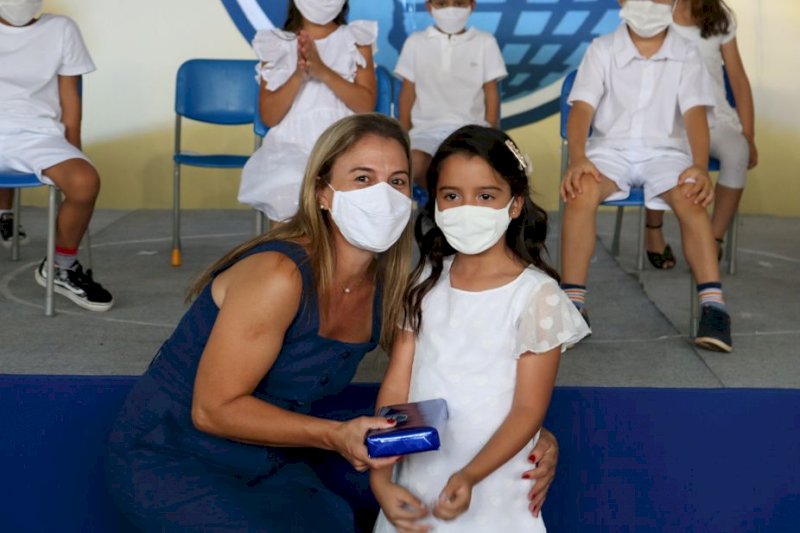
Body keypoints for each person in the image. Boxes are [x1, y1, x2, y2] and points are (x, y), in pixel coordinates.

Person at [105, 114, 559, 532]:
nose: (381, 194)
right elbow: (212, 410)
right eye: (362, 178)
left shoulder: (389, 286)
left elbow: (448, 368)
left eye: (396, 181)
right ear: (323, 192)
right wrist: (334, 435)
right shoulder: (279, 276)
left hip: (273, 450)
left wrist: (532, 437)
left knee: (413, 482)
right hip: (175, 455)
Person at [371, 126, 590, 532]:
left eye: (485, 195)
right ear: (434, 203)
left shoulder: (537, 296)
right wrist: (381, 479)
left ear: (515, 204)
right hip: (416, 480)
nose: (466, 208)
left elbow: (528, 410)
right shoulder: (423, 284)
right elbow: (397, 389)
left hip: (496, 488)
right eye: (451, 196)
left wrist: (470, 475)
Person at [560, 0, 734, 352]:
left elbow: (695, 116)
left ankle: (714, 307)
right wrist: (578, 158)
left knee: (690, 196)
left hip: (666, 153)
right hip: (610, 150)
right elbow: (581, 109)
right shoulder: (602, 48)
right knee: (581, 190)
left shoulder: (686, 52)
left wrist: (699, 165)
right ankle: (572, 304)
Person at [0, 0, 113, 311]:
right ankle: (3, 215)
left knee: (84, 181)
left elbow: (69, 100)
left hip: (37, 135)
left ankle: (61, 266)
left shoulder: (61, 29)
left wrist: (74, 151)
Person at [238, 0, 378, 225]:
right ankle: (284, 258)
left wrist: (323, 71)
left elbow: (365, 105)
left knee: (347, 190)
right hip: (289, 145)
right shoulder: (277, 44)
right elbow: (270, 116)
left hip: (341, 142)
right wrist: (299, 75)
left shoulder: (355, 40)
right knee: (287, 190)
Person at [644, 0, 757, 268]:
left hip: (716, 118)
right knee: (662, 155)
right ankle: (653, 231)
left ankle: (712, 239)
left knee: (737, 151)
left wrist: (749, 135)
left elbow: (738, 80)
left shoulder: (720, 18)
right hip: (668, 120)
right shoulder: (652, 14)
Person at [394, 0, 507, 188]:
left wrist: (491, 131)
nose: (451, 9)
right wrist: (404, 134)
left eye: (459, 3)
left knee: (470, 168)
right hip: (425, 131)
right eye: (442, 3)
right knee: (414, 163)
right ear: (429, 7)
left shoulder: (485, 41)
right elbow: (407, 92)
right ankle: (435, 208)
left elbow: (491, 91)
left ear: (472, 5)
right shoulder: (415, 42)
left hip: (471, 129)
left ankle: (446, 209)